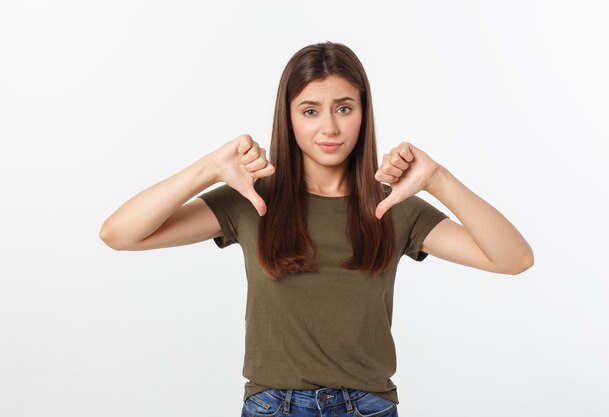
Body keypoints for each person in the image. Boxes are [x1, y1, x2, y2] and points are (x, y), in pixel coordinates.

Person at [100, 41, 534, 417]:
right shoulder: (253, 200)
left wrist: (437, 177)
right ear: (288, 118)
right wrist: (209, 169)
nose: (329, 127)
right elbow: (120, 234)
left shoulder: (392, 206)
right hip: (272, 406)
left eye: (344, 108)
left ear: (363, 113)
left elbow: (514, 259)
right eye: (310, 111)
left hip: (368, 406)